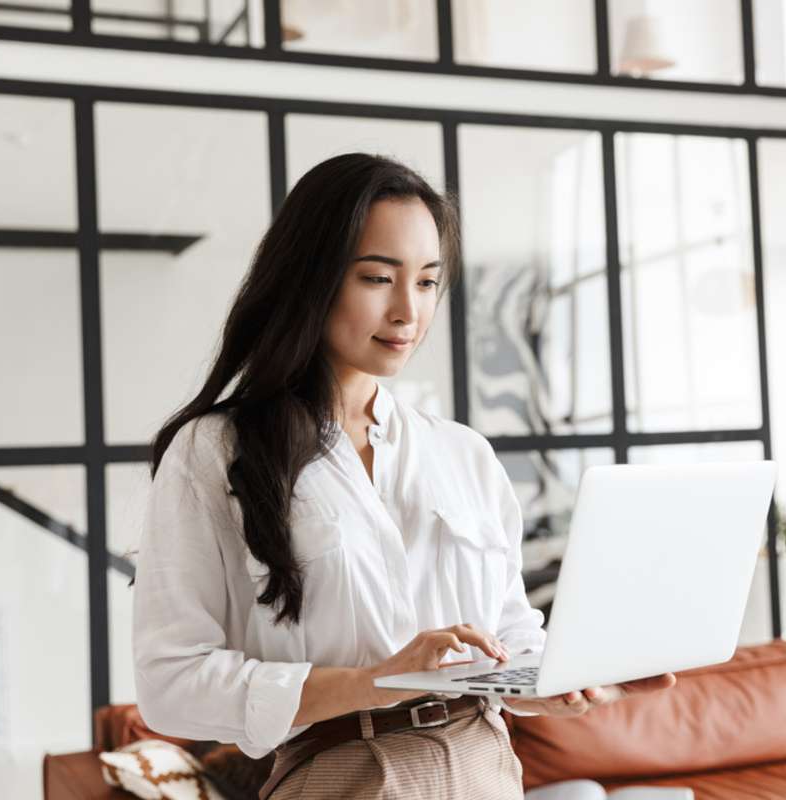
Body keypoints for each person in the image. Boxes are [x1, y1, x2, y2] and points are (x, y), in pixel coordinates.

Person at [132, 152, 675, 799]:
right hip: (345, 773)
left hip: (486, 767)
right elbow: (170, 686)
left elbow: (510, 634)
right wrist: (378, 679)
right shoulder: (213, 452)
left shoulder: (463, 453)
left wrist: (560, 683)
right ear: (313, 278)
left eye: (425, 282)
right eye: (377, 278)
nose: (407, 312)